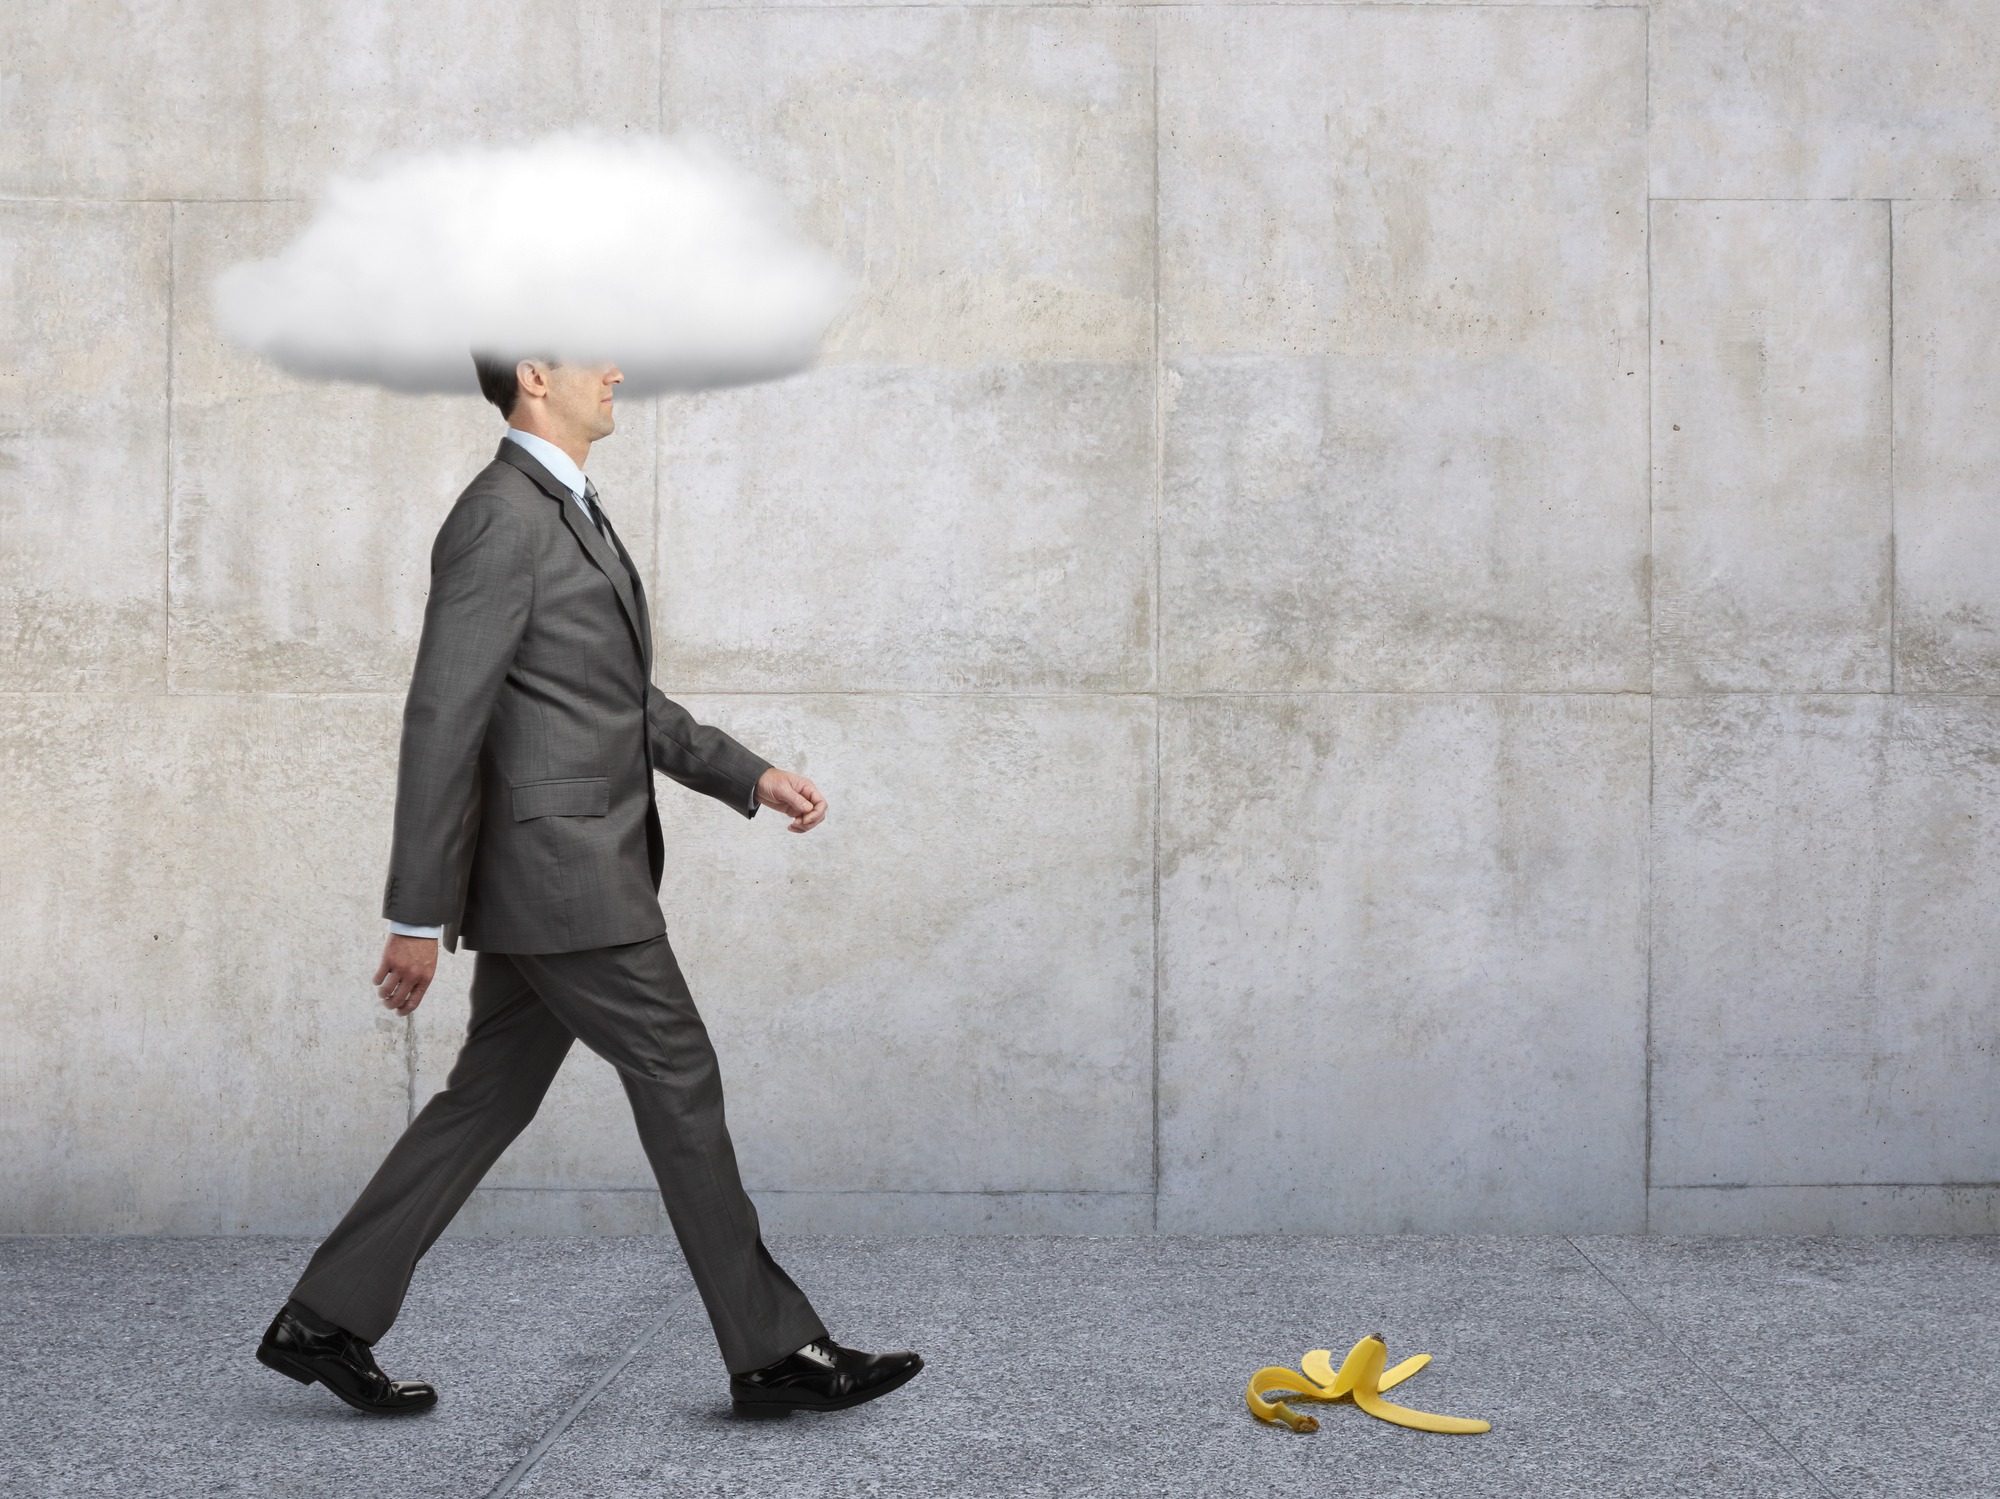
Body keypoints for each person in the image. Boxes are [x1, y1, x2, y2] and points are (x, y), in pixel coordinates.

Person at [255, 354, 921, 1418]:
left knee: (488, 1094)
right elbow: (442, 719)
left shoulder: (562, 506)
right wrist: (414, 915)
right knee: (680, 1074)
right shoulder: (498, 518)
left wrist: (745, 772)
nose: (614, 368)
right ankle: (771, 1347)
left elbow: (614, 699)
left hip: (556, 874)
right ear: (532, 375)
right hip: (564, 876)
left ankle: (324, 1318)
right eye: (588, 353)